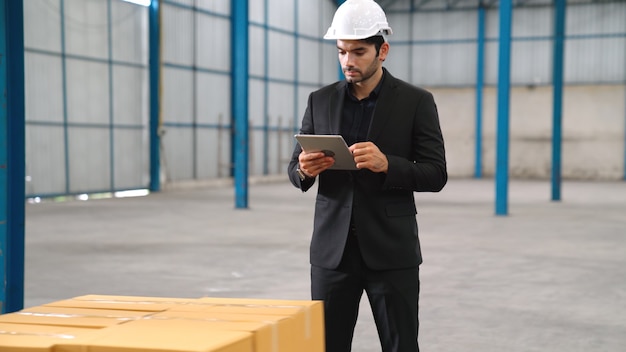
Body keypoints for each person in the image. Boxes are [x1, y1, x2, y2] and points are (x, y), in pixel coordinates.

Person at [287, 0, 447, 351]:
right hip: (333, 254)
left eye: (358, 52)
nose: (348, 61)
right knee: (327, 345)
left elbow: (436, 174)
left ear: (382, 50)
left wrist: (388, 164)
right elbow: (294, 167)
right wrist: (303, 169)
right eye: (342, 51)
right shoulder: (320, 100)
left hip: (391, 252)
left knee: (400, 345)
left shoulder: (416, 102)